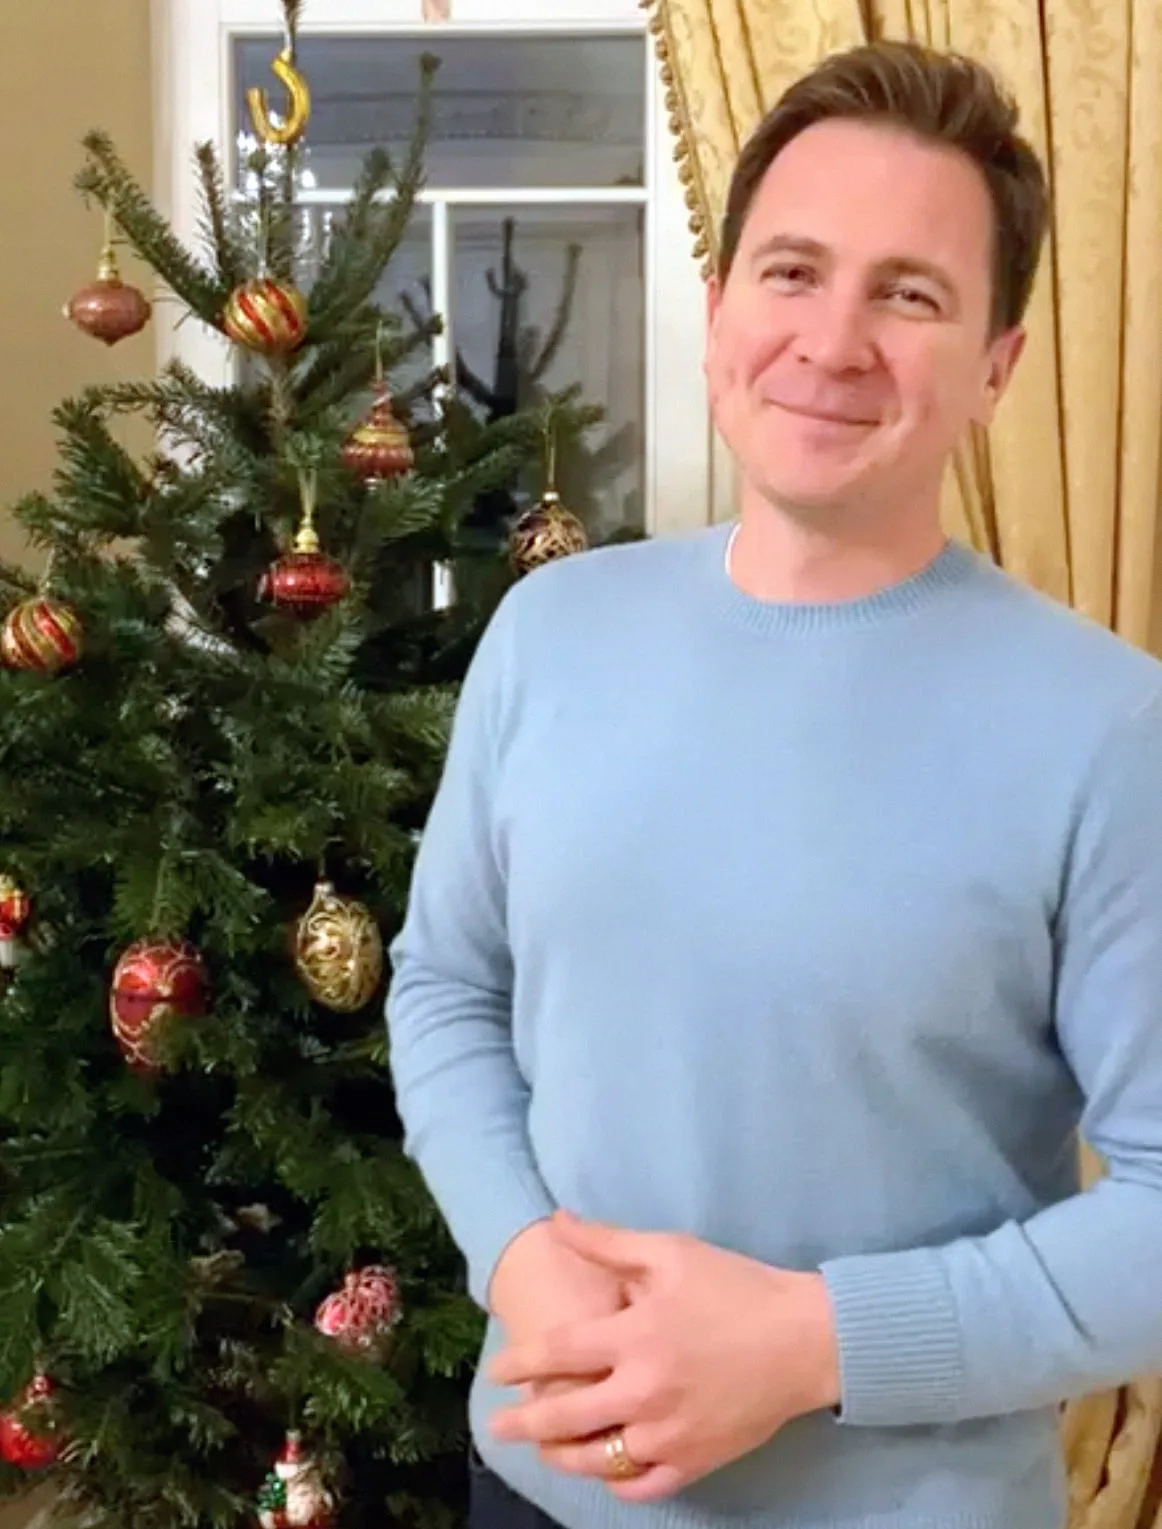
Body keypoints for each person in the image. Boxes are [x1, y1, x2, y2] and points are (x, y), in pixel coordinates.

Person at [386, 37, 1162, 1529]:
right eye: (792, 272)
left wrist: (813, 1345)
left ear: (996, 366)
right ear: (720, 305)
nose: (832, 340)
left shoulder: (1111, 728)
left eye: (910, 294)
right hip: (536, 1491)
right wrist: (523, 1259)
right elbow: (445, 990)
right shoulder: (550, 633)